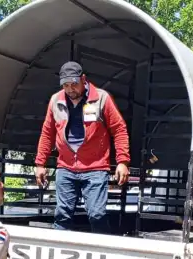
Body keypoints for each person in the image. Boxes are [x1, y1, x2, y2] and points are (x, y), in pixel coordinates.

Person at [34, 61, 131, 233]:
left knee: (97, 215)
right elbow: (47, 133)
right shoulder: (56, 100)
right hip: (66, 167)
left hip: (96, 167)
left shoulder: (101, 98)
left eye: (74, 84)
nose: (70, 89)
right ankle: (59, 251)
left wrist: (123, 161)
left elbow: (119, 129)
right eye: (65, 85)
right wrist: (40, 164)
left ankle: (102, 252)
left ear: (83, 79)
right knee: (62, 215)